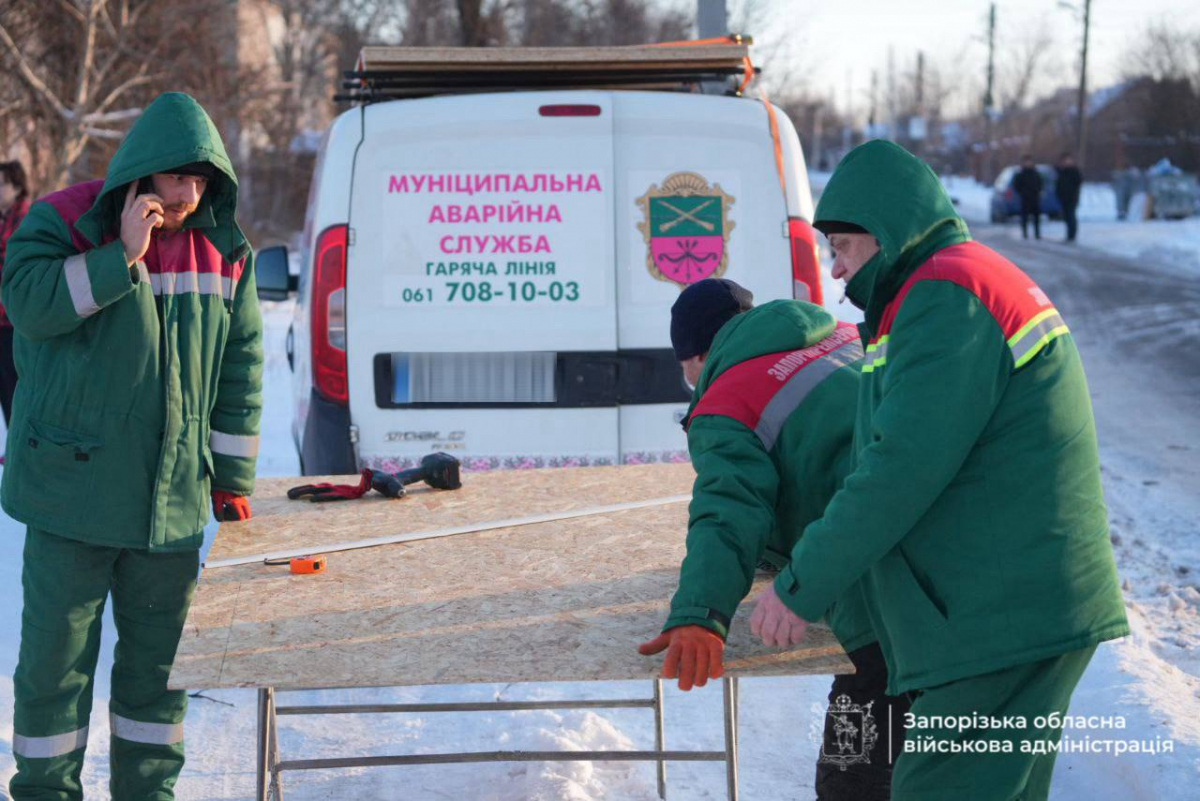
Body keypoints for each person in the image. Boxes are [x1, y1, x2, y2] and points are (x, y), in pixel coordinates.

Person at [747, 140, 1127, 800]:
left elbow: (898, 470)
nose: (835, 271)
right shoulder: (930, 294)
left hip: (1002, 615)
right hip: (1002, 609)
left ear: (884, 231)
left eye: (841, 248)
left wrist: (800, 584)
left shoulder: (947, 295)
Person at [2, 92, 264, 799]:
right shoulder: (62, 220)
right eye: (175, 178)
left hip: (169, 510)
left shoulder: (225, 251)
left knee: (158, 677)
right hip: (70, 502)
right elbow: (25, 302)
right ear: (141, 172)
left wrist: (232, 473)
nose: (186, 194)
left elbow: (240, 362)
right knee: (54, 673)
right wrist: (120, 256)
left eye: (200, 181)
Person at [638, 279, 910, 799]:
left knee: (854, 772)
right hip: (960, 554)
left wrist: (701, 612)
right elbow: (815, 451)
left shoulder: (725, 401)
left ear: (696, 356)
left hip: (886, 590)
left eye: (685, 370)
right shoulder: (845, 336)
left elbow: (728, 513)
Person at [0, 159, 31, 427]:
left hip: (15, 321)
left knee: (16, 389)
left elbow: (14, 266)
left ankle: (19, 445)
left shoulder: (26, 219)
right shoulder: (3, 219)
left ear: (16, 187)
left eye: (1, 184)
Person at [1011, 155, 1043, 240]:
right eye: (1026, 162)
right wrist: (1022, 192)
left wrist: (1038, 191)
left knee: (1036, 217)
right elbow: (1016, 185)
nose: (1028, 164)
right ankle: (1025, 233)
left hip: (1035, 198)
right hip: (1025, 198)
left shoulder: (1036, 173)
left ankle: (1037, 233)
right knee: (1024, 217)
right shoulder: (1021, 174)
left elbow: (1040, 184)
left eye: (1029, 162)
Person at [1056, 152, 1083, 243]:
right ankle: (1069, 235)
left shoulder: (1074, 171)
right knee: (1066, 217)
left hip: (1072, 198)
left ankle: (1072, 235)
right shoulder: (1061, 172)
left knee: (1071, 216)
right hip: (1063, 198)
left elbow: (1078, 182)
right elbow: (1058, 184)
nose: (1066, 162)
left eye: (1068, 160)